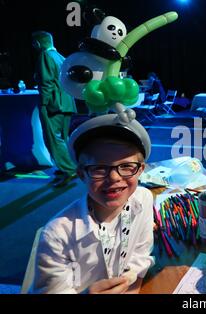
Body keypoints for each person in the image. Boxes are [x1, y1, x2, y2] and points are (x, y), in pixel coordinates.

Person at [30, 114, 154, 293]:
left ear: (140, 170)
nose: (114, 177)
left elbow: (141, 251)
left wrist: (131, 276)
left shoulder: (143, 199)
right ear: (82, 174)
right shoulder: (57, 235)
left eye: (126, 166)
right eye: (99, 168)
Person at [32, 31, 78, 187]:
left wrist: (44, 104)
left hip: (53, 103)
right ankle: (66, 166)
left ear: (38, 43)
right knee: (63, 138)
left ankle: (69, 169)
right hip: (66, 103)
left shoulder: (45, 55)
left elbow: (46, 82)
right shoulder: (60, 57)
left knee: (53, 139)